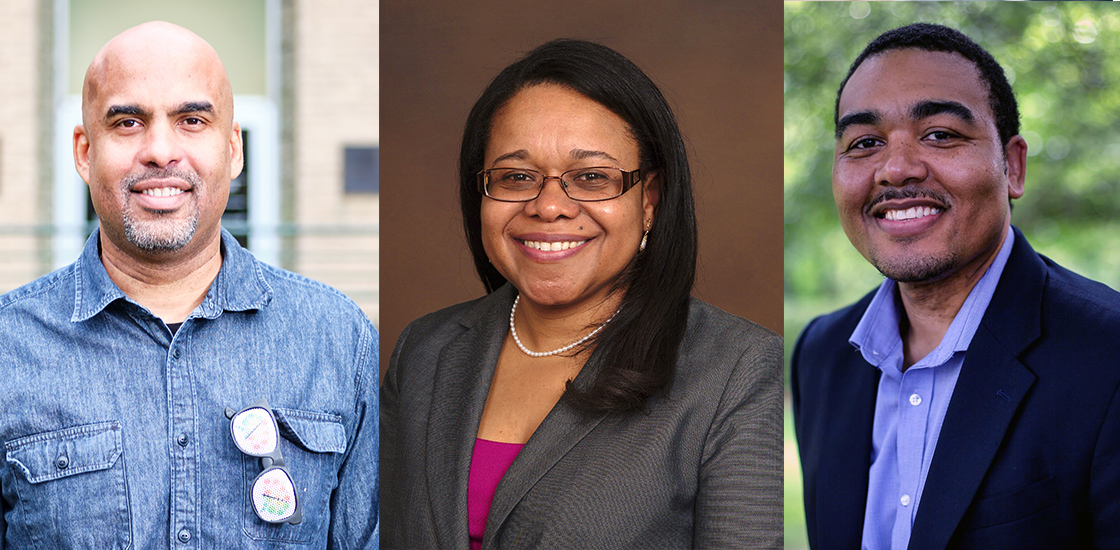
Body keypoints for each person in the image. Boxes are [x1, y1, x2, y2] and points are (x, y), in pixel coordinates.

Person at [380, 39, 782, 549]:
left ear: (650, 201)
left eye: (592, 178)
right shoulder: (424, 350)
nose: (549, 207)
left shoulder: (739, 370)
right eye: (516, 176)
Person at [0, 22, 377, 549]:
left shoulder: (338, 340)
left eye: (191, 119)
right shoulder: (9, 348)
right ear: (85, 152)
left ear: (233, 149)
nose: (160, 150)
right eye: (128, 122)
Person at [792, 23, 1120, 549]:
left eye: (940, 134)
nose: (895, 169)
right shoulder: (821, 355)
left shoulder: (1108, 356)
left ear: (1012, 166)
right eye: (866, 143)